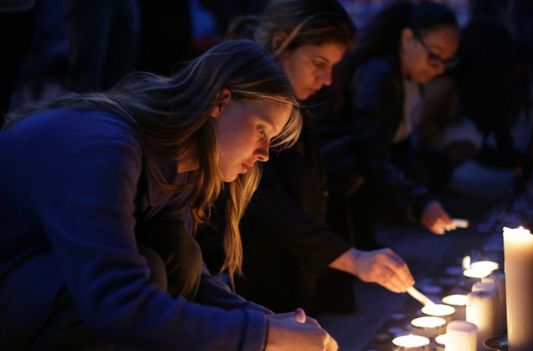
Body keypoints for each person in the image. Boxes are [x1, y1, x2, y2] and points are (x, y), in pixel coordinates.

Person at [0, 40, 339, 351]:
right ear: (220, 101)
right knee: (148, 270)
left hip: (31, 286)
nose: (265, 153)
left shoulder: (175, 162)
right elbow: (116, 299)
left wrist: (263, 321)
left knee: (181, 257)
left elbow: (190, 274)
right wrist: (262, 335)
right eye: (262, 130)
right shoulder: (107, 148)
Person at [199, 0, 417, 315]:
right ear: (280, 44)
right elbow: (266, 201)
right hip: (252, 277)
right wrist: (352, 259)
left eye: (333, 66)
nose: (327, 79)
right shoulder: (243, 108)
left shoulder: (306, 106)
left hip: (290, 276)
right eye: (318, 63)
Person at [324, 0, 459, 250]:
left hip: (378, 158)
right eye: (434, 57)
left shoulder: (408, 73)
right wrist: (419, 202)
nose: (439, 69)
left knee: (434, 164)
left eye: (446, 62)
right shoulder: (379, 77)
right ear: (408, 38)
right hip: (348, 172)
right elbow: (370, 155)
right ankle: (361, 242)